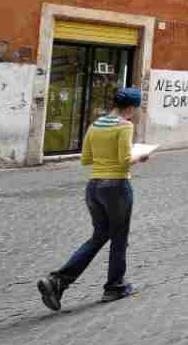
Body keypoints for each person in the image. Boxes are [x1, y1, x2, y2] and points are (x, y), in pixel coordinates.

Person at [37, 87, 148, 310]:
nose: (136, 112)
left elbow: (86, 159)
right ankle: (114, 287)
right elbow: (125, 159)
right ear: (131, 107)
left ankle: (57, 281)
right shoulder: (125, 125)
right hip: (116, 186)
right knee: (118, 238)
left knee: (99, 236)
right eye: (136, 108)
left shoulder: (96, 124)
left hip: (94, 187)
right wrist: (141, 155)